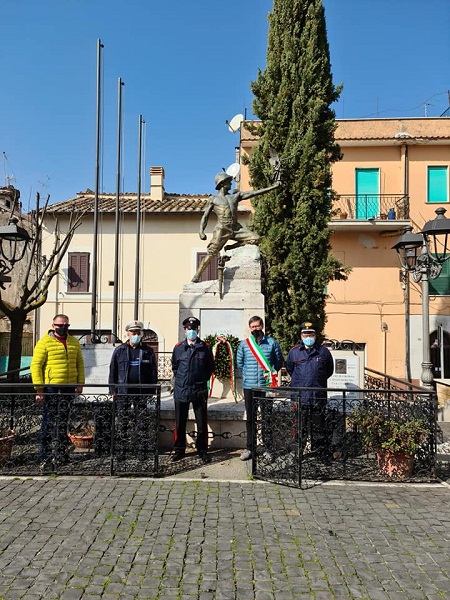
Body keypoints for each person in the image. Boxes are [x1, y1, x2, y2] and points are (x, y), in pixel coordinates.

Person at [192, 173, 281, 282]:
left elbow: (253, 193)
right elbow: (205, 216)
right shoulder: (213, 199)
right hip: (222, 228)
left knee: (255, 238)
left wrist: (273, 187)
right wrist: (201, 231)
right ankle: (197, 276)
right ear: (222, 184)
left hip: (235, 228)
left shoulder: (234, 196)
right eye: (229, 182)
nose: (231, 183)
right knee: (211, 253)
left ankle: (231, 248)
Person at [31, 314, 85, 472]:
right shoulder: (44, 342)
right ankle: (45, 457)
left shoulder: (74, 341)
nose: (63, 328)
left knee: (63, 422)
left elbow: (79, 363)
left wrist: (80, 383)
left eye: (66, 325)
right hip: (51, 388)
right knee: (48, 422)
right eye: (60, 325)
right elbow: (36, 366)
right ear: (53, 325)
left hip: (68, 387)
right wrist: (39, 389)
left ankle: (61, 454)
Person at [236, 316, 283, 461]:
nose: (255, 329)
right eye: (252, 327)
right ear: (249, 328)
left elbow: (278, 361)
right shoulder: (244, 345)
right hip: (249, 387)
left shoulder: (272, 342)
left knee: (267, 418)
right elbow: (240, 363)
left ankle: (268, 448)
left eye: (257, 326)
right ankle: (250, 448)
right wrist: (248, 375)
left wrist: (269, 376)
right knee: (250, 418)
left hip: (266, 387)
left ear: (262, 326)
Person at [109, 320, 158, 460]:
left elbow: (153, 371)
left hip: (141, 392)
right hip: (123, 391)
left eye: (138, 333)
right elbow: (113, 370)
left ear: (141, 334)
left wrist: (152, 390)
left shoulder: (147, 351)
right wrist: (112, 389)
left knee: (141, 421)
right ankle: (121, 451)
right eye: (133, 333)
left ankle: (141, 450)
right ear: (128, 334)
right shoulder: (120, 350)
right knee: (123, 422)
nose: (135, 335)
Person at [286, 322, 334, 461]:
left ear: (315, 335)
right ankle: (298, 453)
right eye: (305, 334)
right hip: (300, 397)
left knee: (319, 427)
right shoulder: (294, 352)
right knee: (300, 427)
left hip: (317, 396)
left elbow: (329, 371)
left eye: (311, 334)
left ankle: (320, 454)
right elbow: (290, 369)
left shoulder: (324, 352)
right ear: (301, 336)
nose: (308, 336)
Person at [171, 316, 215, 464]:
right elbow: (175, 368)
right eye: (188, 329)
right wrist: (182, 381)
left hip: (199, 390)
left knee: (202, 423)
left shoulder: (205, 347)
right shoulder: (178, 348)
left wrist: (201, 380)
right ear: (184, 331)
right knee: (180, 423)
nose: (191, 331)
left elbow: (210, 368)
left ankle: (202, 450)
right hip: (181, 389)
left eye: (194, 328)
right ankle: (179, 450)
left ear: (198, 330)